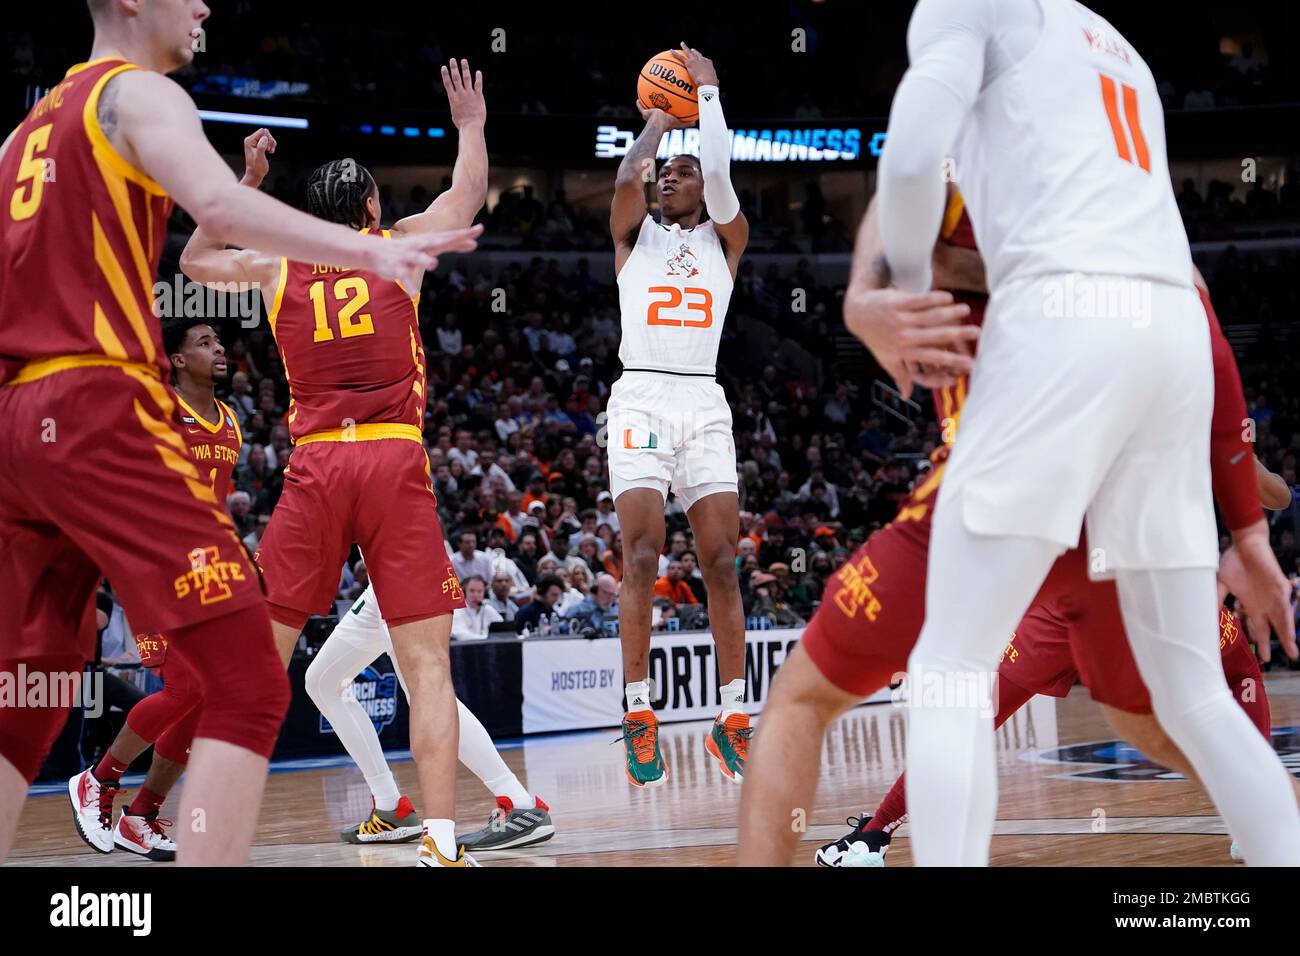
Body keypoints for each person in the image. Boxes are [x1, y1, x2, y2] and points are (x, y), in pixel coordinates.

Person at [0, 1, 471, 866]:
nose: (205, 6)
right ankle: (435, 839)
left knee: (24, 697)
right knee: (252, 681)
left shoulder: (25, 132)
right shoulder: (137, 95)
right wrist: (370, 248)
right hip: (104, 402)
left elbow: (194, 256)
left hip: (20, 420)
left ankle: (119, 790)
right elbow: (212, 206)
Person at [874, 0, 1298, 866]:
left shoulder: (966, 6)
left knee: (950, 669)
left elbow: (913, 155)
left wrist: (905, 287)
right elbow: (1189, 295)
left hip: (1064, 319)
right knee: (1194, 697)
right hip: (1172, 334)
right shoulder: (1122, 48)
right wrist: (1249, 531)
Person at [179, 60, 487, 868]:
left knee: (257, 671)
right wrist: (470, 126)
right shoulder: (401, 250)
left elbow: (196, 264)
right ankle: (444, 847)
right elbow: (465, 199)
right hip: (392, 463)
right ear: (374, 208)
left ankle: (208, 847)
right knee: (426, 669)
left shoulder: (279, 265)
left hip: (316, 469)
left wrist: (246, 181)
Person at [607, 45, 751, 787]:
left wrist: (711, 90)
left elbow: (723, 174)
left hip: (703, 397)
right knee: (640, 557)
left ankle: (731, 717)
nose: (670, 176)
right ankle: (638, 711)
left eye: (683, 170)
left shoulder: (728, 240)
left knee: (724, 563)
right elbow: (628, 173)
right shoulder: (633, 235)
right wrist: (659, 124)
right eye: (668, 171)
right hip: (640, 397)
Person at [67, 316, 242, 861]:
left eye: (219, 341)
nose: (219, 348)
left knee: (207, 696)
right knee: (187, 689)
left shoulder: (230, 421)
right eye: (204, 343)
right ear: (178, 360)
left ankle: (141, 816)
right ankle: (97, 780)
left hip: (207, 570)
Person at [306, 585, 554, 853]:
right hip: (378, 588)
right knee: (322, 682)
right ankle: (391, 808)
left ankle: (520, 804)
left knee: (427, 696)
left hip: (406, 576)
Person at [450, 576, 501, 641]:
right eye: (472, 591)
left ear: (484, 593)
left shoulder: (488, 609)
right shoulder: (457, 611)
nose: (476, 595)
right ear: (464, 592)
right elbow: (461, 635)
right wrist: (488, 639)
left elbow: (502, 630)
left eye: (479, 591)